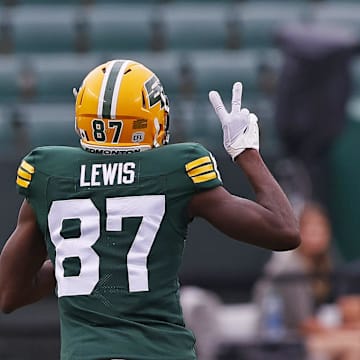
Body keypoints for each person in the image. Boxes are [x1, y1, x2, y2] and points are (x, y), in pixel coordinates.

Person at [0, 59, 300, 360]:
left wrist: (79, 261)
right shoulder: (173, 171)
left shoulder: (51, 176)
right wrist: (246, 153)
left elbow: (9, 294)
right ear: (153, 119)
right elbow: (284, 231)